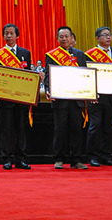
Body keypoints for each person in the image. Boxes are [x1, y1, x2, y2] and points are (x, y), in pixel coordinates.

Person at [0, 24, 35, 170]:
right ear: (3, 36)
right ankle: (7, 159)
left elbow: (29, 75)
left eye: (11, 33)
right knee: (6, 130)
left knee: (21, 130)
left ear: (17, 35)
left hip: (21, 99)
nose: (9, 36)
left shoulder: (25, 53)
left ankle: (21, 159)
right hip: (5, 100)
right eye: (6, 33)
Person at [44, 26, 88, 170]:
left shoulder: (80, 55)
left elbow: (86, 75)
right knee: (60, 130)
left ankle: (76, 160)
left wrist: (90, 92)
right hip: (60, 99)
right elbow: (47, 75)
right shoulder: (52, 55)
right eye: (61, 36)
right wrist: (48, 90)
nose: (64, 39)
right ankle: (59, 159)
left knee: (76, 129)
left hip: (76, 99)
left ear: (72, 38)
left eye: (66, 36)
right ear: (57, 39)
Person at [85, 27, 112, 167]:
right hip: (95, 97)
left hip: (111, 96)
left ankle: (105, 156)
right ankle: (92, 156)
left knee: (108, 127)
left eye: (110, 35)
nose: (108, 37)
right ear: (97, 38)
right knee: (95, 126)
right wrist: (91, 92)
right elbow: (87, 75)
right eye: (105, 35)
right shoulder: (89, 55)